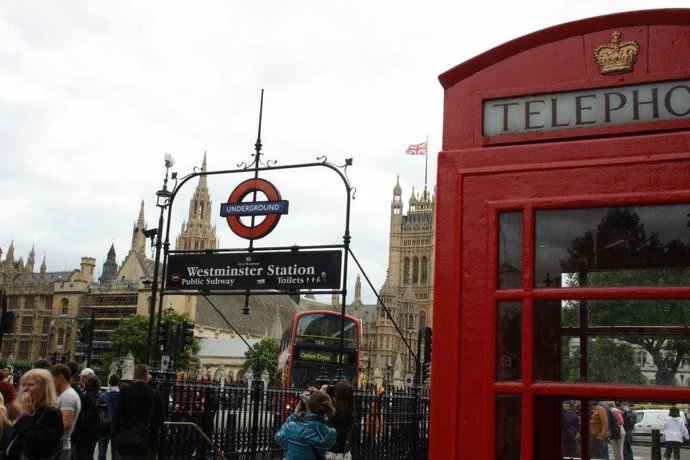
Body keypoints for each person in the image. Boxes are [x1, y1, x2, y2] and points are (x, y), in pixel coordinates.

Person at [8, 369, 63, 460]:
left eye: (30, 385)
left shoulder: (52, 414)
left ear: (45, 388)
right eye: (23, 385)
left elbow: (33, 447)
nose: (25, 389)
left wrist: (25, 416)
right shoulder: (30, 411)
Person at [113, 364, 165, 460]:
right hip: (148, 442)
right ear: (146, 376)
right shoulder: (155, 394)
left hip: (128, 440)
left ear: (135, 376)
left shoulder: (125, 392)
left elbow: (117, 417)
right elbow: (161, 419)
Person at [274, 389, 337, 459]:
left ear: (307, 406)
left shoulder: (292, 427)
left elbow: (278, 438)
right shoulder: (331, 434)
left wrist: (294, 416)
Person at [50, 364, 82, 460]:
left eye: (52, 379)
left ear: (60, 377)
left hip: (60, 449)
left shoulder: (68, 396)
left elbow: (66, 424)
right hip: (59, 448)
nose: (51, 383)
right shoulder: (64, 395)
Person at [323, 382, 355, 460]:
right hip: (345, 454)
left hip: (330, 454)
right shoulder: (350, 412)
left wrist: (321, 395)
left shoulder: (332, 413)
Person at [74, 375, 102, 460]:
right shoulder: (99, 398)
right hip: (94, 431)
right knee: (90, 453)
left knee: (81, 454)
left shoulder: (84, 398)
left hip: (82, 433)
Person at [98, 373, 121, 460]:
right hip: (116, 426)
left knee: (102, 451)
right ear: (118, 383)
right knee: (115, 452)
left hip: (104, 425)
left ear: (109, 382)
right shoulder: (121, 396)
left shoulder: (103, 396)